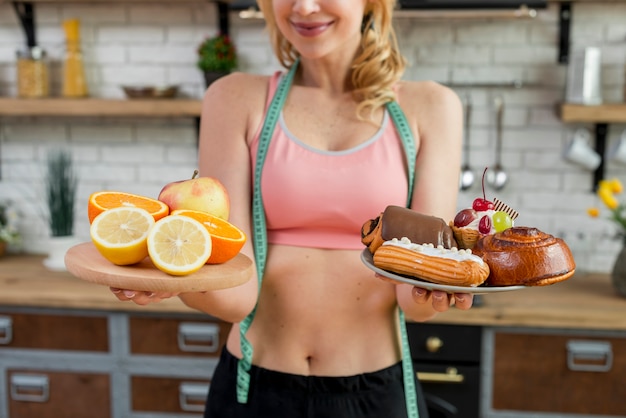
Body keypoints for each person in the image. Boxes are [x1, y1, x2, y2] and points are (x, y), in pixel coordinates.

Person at [111, 0, 473, 416]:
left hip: (374, 393)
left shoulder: (430, 108)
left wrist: (444, 288)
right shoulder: (234, 99)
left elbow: (415, 300)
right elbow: (237, 296)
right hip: (254, 389)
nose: (303, 6)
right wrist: (178, 281)